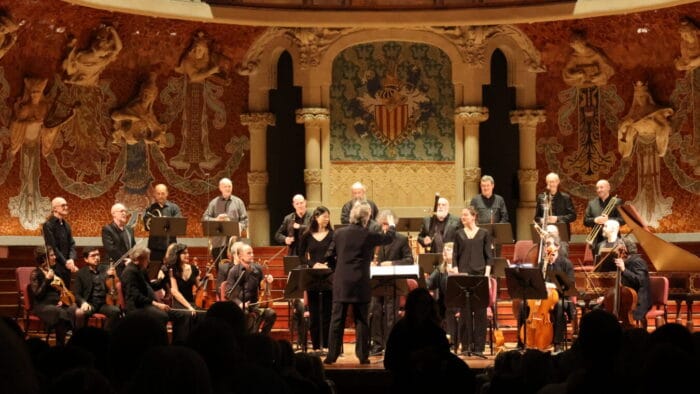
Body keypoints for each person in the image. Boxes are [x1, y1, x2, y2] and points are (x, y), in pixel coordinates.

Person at [323, 202, 396, 365]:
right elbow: (389, 237)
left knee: (336, 320)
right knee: (361, 320)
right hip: (360, 282)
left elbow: (328, 256)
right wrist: (391, 224)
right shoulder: (368, 235)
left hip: (341, 281)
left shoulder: (339, 233)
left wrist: (339, 269)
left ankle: (331, 356)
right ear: (366, 218)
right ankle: (363, 356)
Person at [120, 246, 191, 343]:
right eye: (147, 258)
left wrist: (166, 277)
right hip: (137, 307)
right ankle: (159, 345)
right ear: (138, 259)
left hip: (147, 305)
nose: (149, 261)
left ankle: (178, 344)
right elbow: (136, 296)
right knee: (162, 316)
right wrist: (157, 304)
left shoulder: (141, 270)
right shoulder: (129, 272)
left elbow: (151, 286)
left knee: (183, 315)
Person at [517, 235, 574, 352]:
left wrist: (552, 284)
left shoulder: (566, 263)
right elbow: (535, 282)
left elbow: (570, 285)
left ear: (557, 247)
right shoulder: (542, 263)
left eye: (548, 244)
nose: (545, 247)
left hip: (561, 297)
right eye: (545, 245)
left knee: (559, 306)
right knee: (523, 304)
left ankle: (557, 343)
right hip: (541, 298)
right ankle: (521, 342)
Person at [369, 209, 414, 355]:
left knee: (390, 314)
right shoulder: (377, 239)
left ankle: (391, 344)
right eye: (382, 224)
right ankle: (377, 345)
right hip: (377, 280)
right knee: (375, 311)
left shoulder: (401, 239)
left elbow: (409, 260)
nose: (384, 228)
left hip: (394, 281)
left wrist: (392, 263)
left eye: (387, 224)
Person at [592, 221, 652, 326]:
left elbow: (639, 281)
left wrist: (624, 270)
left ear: (626, 249)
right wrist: (607, 298)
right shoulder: (625, 261)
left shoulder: (638, 261)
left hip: (637, 301)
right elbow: (621, 286)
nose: (619, 251)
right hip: (624, 299)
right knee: (597, 310)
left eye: (621, 248)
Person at [452, 206, 493, 355]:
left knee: (480, 312)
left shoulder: (484, 234)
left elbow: (489, 256)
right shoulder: (458, 234)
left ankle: (479, 347)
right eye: (462, 215)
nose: (463, 217)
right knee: (465, 312)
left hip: (479, 276)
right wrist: (456, 271)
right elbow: (455, 255)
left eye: (465, 215)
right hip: (464, 276)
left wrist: (487, 275)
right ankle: (466, 345)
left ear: (473, 216)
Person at [299, 206, 335, 353]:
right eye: (324, 216)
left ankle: (326, 345)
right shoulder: (307, 235)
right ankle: (315, 346)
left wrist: (327, 264)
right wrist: (313, 264)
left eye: (328, 216)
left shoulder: (333, 234)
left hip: (328, 275)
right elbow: (301, 256)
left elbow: (336, 255)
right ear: (316, 217)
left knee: (327, 312)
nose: (327, 219)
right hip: (312, 277)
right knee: (314, 313)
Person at [30, 246, 83, 346]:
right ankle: (60, 345)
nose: (55, 257)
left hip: (56, 304)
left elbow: (61, 291)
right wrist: (47, 280)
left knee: (74, 308)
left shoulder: (55, 272)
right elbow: (37, 295)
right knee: (60, 312)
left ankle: (75, 342)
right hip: (42, 306)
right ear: (44, 258)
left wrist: (62, 300)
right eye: (52, 255)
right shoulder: (36, 273)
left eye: (54, 254)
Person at [224, 244, 276, 335]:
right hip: (239, 307)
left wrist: (268, 281)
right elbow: (229, 293)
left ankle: (262, 337)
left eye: (252, 252)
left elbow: (263, 287)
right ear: (240, 256)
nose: (252, 255)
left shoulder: (258, 269)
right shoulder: (233, 271)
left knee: (271, 314)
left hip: (254, 305)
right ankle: (251, 338)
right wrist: (240, 303)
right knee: (247, 315)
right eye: (249, 253)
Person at [71, 246, 122, 331]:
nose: (97, 257)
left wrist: (113, 275)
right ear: (86, 259)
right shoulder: (81, 273)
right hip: (89, 303)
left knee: (116, 311)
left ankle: (105, 336)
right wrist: (83, 302)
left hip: (103, 303)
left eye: (98, 255)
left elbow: (114, 285)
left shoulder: (105, 269)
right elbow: (76, 294)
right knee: (80, 313)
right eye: (93, 255)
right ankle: (80, 337)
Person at [111, 72, 166, 146]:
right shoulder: (134, 108)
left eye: (149, 95)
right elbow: (115, 116)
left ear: (153, 98)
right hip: (129, 138)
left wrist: (159, 133)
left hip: (139, 143)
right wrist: (132, 117)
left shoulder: (150, 114)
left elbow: (155, 130)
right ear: (140, 94)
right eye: (145, 93)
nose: (146, 97)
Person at [202, 177, 248, 264]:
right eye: (225, 186)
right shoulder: (213, 203)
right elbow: (204, 218)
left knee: (235, 269)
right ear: (220, 188)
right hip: (218, 242)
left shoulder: (238, 202)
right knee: (220, 269)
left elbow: (245, 220)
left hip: (235, 242)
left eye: (229, 186)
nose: (228, 188)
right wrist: (216, 219)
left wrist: (238, 228)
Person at [43, 197, 78, 287]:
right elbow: (53, 246)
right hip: (56, 265)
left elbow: (72, 244)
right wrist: (65, 262)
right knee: (59, 293)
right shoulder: (48, 225)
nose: (66, 207)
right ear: (54, 208)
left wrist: (71, 259)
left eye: (66, 205)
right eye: (63, 205)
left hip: (67, 265)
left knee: (67, 292)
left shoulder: (67, 225)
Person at [470, 175, 509, 256]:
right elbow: (471, 217)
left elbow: (504, 216)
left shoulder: (499, 199)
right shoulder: (475, 200)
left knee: (496, 259)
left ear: (492, 186)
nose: (485, 188)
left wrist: (498, 229)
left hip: (496, 237)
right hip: (480, 236)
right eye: (483, 186)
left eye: (487, 185)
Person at [584, 179, 624, 256]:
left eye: (601, 187)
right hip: (596, 240)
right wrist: (595, 220)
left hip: (613, 240)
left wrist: (608, 220)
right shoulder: (592, 203)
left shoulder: (617, 201)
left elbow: (622, 220)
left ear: (608, 188)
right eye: (597, 188)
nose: (599, 190)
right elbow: (585, 221)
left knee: (614, 264)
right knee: (598, 265)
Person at [164, 243, 206, 318]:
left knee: (203, 314)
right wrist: (189, 307)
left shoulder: (193, 268)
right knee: (188, 315)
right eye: (184, 253)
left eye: (187, 252)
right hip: (179, 304)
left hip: (191, 303)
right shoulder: (172, 269)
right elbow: (174, 291)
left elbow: (199, 286)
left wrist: (205, 278)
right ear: (177, 255)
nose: (187, 255)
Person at [144, 184, 182, 265]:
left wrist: (167, 221)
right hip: (154, 248)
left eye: (163, 193)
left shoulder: (174, 208)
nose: (160, 196)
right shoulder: (150, 209)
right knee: (154, 272)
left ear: (167, 193)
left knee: (171, 270)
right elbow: (147, 226)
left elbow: (179, 225)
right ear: (154, 194)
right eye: (158, 194)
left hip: (170, 247)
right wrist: (157, 222)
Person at [534, 172, 577, 240]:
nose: (551, 184)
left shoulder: (565, 197)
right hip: (545, 233)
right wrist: (542, 220)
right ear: (546, 183)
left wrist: (557, 219)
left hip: (561, 234)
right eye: (549, 182)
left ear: (558, 182)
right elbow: (536, 218)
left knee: (562, 250)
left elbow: (573, 216)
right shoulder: (541, 197)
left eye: (553, 182)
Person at [101, 203, 136, 278]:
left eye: (125, 211)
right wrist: (124, 261)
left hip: (129, 266)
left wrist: (132, 260)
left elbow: (133, 247)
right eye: (121, 211)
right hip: (115, 267)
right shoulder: (107, 229)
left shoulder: (129, 230)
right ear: (114, 214)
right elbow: (111, 249)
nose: (124, 213)